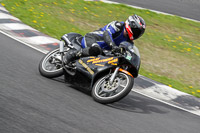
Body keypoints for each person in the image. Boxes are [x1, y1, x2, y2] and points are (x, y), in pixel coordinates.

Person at [63, 14, 146, 66]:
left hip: (102, 51)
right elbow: (107, 34)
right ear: (131, 25)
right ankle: (72, 54)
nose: (137, 34)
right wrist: (113, 46)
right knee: (96, 49)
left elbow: (127, 52)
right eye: (137, 31)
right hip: (92, 39)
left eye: (139, 33)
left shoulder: (128, 42)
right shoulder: (118, 25)